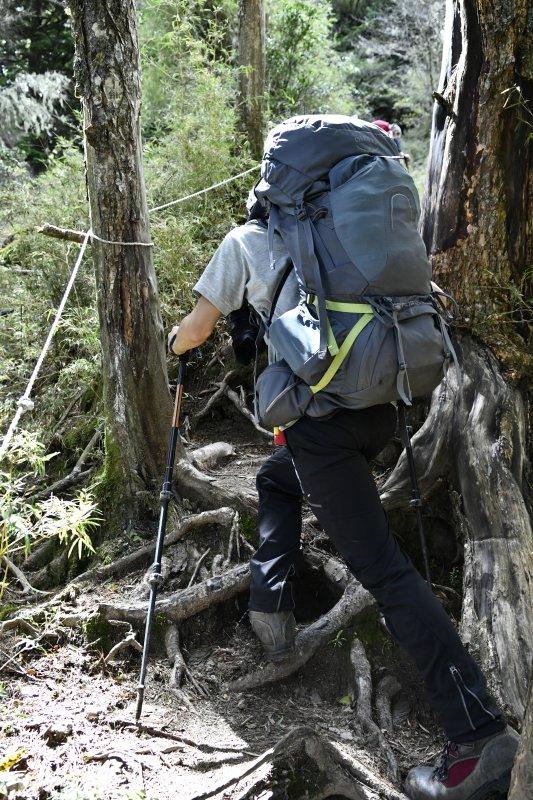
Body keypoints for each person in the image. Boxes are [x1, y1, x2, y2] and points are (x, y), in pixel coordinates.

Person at [168, 193, 518, 800]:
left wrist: (175, 342)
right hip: (378, 409)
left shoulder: (245, 243)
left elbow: (197, 329)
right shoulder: (348, 242)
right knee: (277, 475)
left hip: (322, 427)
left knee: (383, 570)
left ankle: (478, 736)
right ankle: (270, 594)